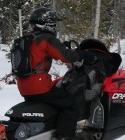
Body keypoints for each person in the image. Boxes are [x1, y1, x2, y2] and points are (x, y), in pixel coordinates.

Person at [17, 7, 97, 140]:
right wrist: (84, 54)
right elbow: (67, 56)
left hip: (24, 86)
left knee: (53, 102)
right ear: (47, 24)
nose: (55, 26)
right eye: (53, 23)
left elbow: (40, 55)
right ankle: (64, 136)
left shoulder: (27, 39)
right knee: (71, 104)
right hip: (39, 86)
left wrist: (62, 46)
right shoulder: (46, 38)